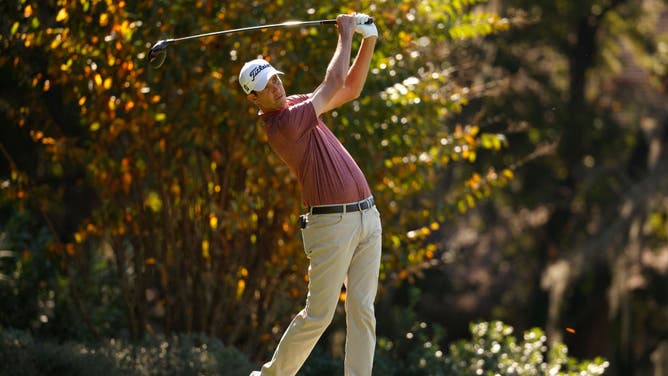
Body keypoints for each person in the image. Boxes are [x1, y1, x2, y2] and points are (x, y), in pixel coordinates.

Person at [239, 12, 381, 376]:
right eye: (267, 87)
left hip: (367, 217)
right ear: (254, 100)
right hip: (331, 225)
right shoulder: (282, 125)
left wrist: (369, 40)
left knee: (363, 309)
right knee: (318, 315)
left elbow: (349, 89)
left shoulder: (296, 106)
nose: (276, 88)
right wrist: (346, 34)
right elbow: (333, 82)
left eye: (275, 80)